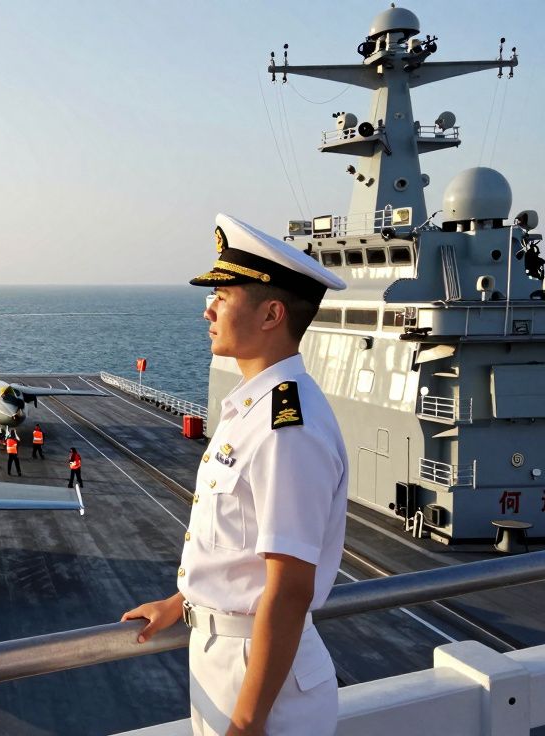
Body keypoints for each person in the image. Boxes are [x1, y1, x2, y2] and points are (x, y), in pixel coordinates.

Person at [120, 214, 348, 736]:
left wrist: (247, 723)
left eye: (222, 296)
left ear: (271, 314)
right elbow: (239, 549)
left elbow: (289, 589)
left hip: (265, 686)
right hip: (228, 662)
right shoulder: (254, 408)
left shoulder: (287, 428)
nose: (208, 309)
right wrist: (182, 602)